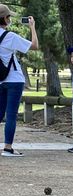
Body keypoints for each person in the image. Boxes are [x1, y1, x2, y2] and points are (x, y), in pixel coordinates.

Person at [0, 5, 38, 157]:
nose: (10, 19)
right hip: (14, 80)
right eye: (8, 17)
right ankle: (8, 147)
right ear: (4, 19)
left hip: (0, 81)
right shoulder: (10, 37)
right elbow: (34, 46)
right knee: (11, 115)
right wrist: (32, 27)